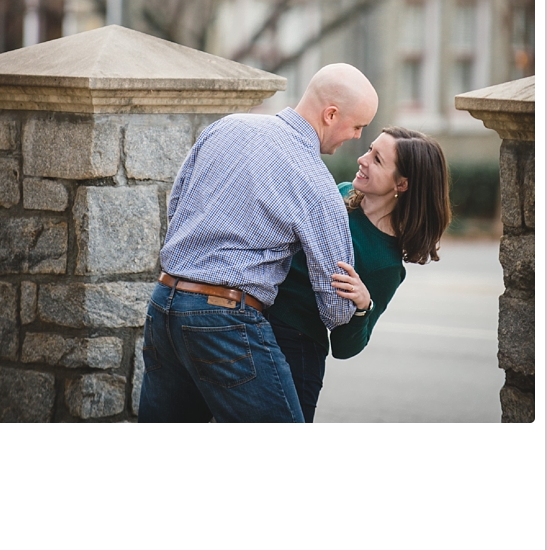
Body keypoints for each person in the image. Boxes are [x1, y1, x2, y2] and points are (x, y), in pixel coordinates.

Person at [137, 64, 378, 423]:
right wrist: (360, 304)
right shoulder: (316, 181)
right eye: (357, 126)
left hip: (164, 304)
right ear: (331, 115)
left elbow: (177, 204)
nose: (357, 137)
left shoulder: (227, 126)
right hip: (224, 319)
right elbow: (335, 308)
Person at [266, 128, 450, 421]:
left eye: (377, 159)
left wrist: (364, 306)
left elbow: (345, 348)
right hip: (253, 318)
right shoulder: (338, 193)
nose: (363, 159)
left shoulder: (385, 264)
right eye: (369, 149)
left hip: (296, 352)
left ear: (401, 183)